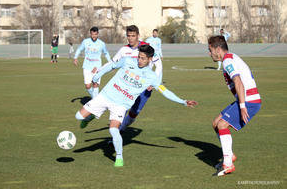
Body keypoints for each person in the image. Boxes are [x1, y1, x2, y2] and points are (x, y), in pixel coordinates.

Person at [75, 44, 198, 167]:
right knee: (78, 116)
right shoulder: (127, 61)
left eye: (143, 58)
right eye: (139, 57)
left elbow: (164, 91)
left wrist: (183, 101)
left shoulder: (152, 77)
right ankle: (90, 117)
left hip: (120, 105)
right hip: (105, 96)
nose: (139, 60)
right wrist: (97, 76)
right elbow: (112, 65)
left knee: (113, 130)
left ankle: (119, 157)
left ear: (150, 59)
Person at [208, 35, 261, 176]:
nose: (209, 53)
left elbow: (238, 81)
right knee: (216, 123)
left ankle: (228, 164)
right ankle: (229, 155)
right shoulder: (230, 58)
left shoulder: (227, 61)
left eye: (210, 49)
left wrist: (243, 106)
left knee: (222, 125)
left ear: (218, 49)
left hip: (249, 100)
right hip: (245, 99)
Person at [102, 25, 163, 132]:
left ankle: (122, 128)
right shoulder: (123, 50)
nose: (130, 38)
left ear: (138, 36)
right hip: (128, 87)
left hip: (144, 88)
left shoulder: (147, 47)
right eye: (128, 36)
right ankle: (115, 135)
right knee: (121, 110)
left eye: (133, 36)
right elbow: (112, 63)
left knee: (132, 115)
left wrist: (153, 83)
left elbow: (159, 65)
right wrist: (99, 70)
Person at [73, 27, 111, 98]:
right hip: (87, 66)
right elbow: (79, 49)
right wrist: (75, 58)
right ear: (90, 34)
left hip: (97, 67)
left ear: (98, 34)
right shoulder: (85, 42)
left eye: (95, 34)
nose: (94, 36)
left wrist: (110, 62)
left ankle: (95, 102)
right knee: (87, 86)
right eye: (92, 34)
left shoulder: (101, 43)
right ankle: (95, 98)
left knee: (95, 84)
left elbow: (106, 53)